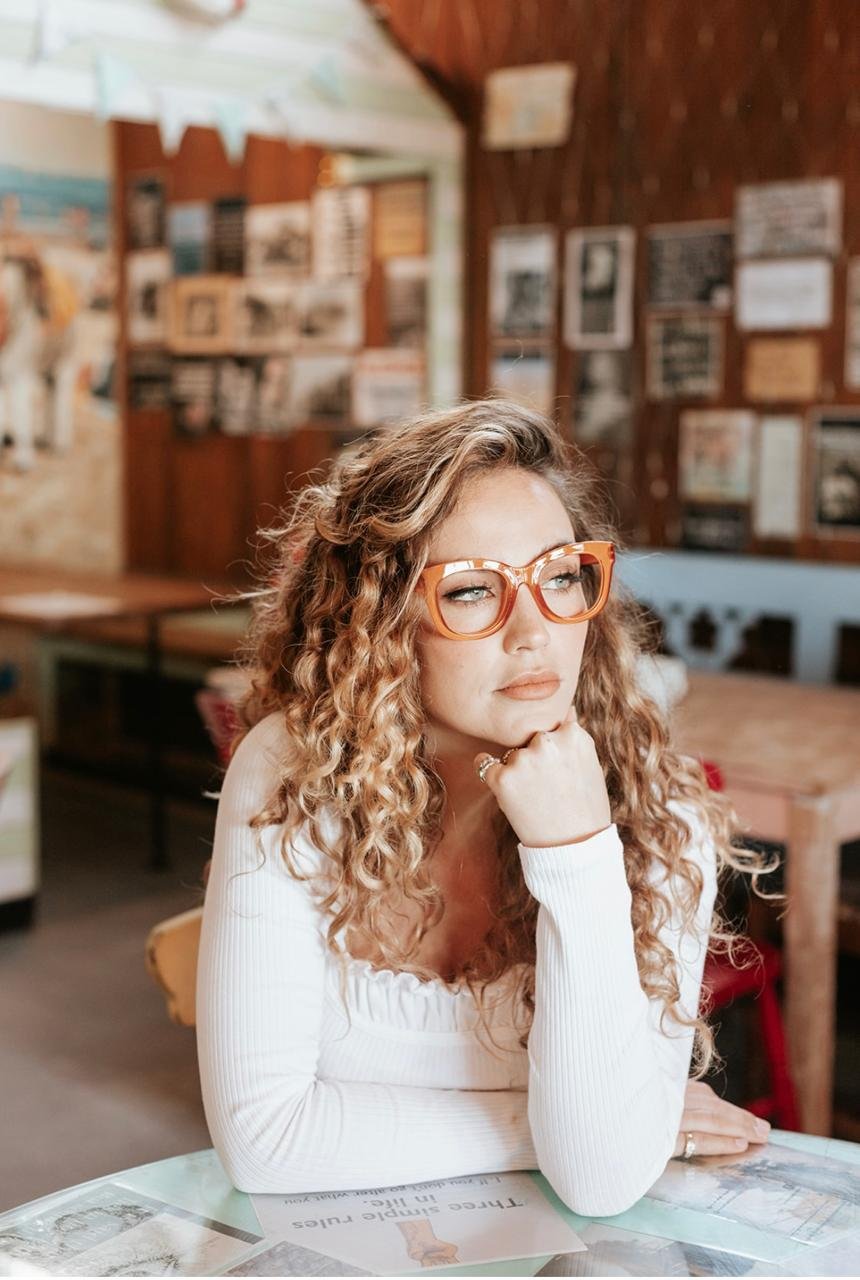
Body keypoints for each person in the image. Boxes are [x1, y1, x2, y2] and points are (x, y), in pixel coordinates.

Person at [197, 400, 775, 1216]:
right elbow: (264, 1142)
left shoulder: (658, 815)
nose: (534, 631)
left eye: (560, 575)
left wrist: (576, 853)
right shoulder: (293, 773)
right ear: (379, 622)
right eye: (471, 591)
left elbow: (600, 1182)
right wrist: (599, 1126)